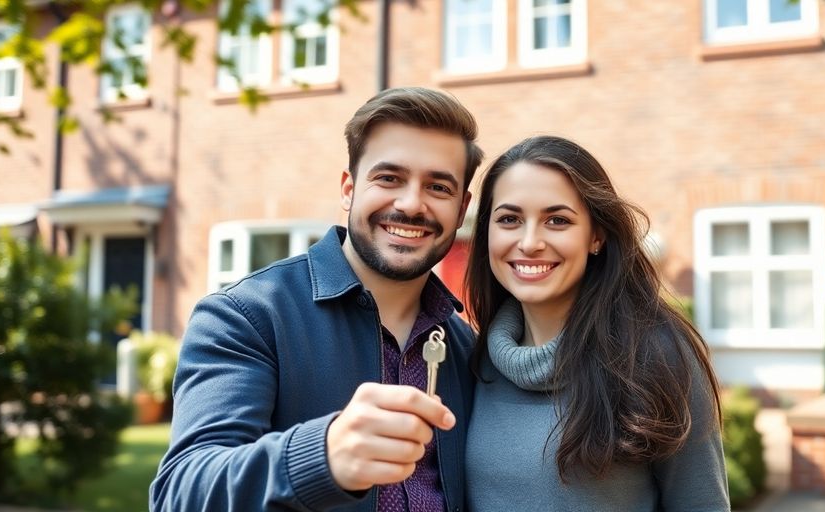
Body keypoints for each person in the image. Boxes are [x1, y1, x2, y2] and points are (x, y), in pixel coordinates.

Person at [150, 87, 485, 511]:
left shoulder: (466, 348)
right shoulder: (246, 317)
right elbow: (181, 493)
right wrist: (321, 456)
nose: (411, 204)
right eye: (389, 178)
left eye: (438, 187)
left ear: (461, 209)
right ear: (348, 189)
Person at [463, 135, 729, 511]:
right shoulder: (471, 361)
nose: (529, 242)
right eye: (509, 219)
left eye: (557, 220)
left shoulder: (655, 354)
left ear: (596, 236)